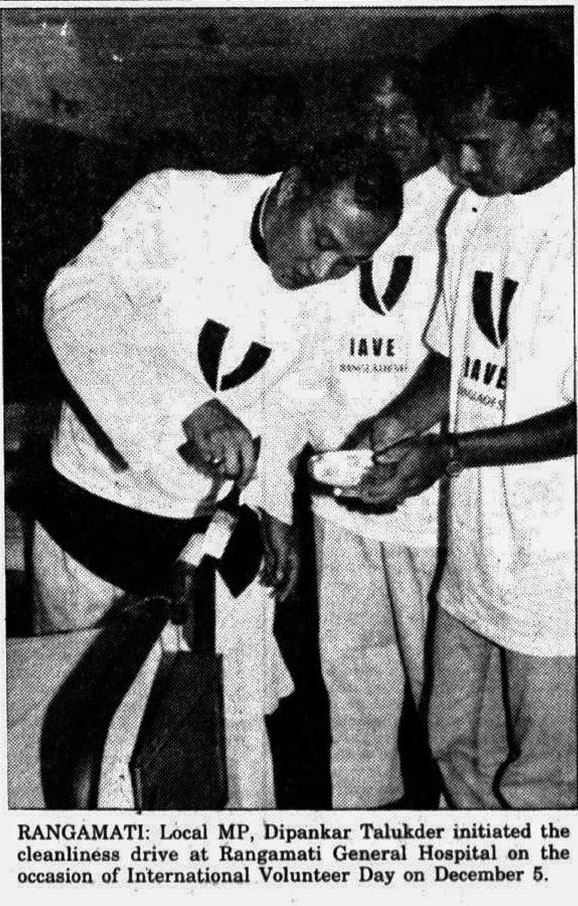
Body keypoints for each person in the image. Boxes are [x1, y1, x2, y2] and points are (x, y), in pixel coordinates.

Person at [35, 134, 403, 807]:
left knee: (200, 737)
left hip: (203, 531)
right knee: (77, 732)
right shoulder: (175, 204)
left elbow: (288, 404)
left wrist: (276, 507)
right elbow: (76, 304)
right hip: (96, 512)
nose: (324, 270)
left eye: (350, 261)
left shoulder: (331, 292)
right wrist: (188, 406)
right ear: (290, 188)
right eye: (321, 241)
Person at [337, 15, 575, 808]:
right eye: (453, 143)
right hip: (472, 555)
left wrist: (453, 453)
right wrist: (398, 423)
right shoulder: (472, 213)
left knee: (541, 786)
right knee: (453, 751)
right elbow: (454, 353)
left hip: (556, 574)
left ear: (548, 125)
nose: (461, 166)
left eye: (479, 144)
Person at [308, 56, 458, 807]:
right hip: (338, 490)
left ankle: (461, 838)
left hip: (425, 499)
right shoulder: (337, 204)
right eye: (371, 114)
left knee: (446, 698)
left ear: (431, 120)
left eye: (401, 113)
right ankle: (360, 825)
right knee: (353, 680)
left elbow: (461, 356)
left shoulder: (463, 208)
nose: (385, 130)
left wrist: (405, 435)